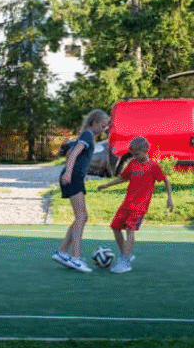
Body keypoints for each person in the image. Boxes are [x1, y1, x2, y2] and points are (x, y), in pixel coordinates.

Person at [97, 135, 174, 274]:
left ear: (145, 150)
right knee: (115, 227)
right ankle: (126, 254)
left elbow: (166, 180)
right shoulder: (133, 163)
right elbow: (122, 178)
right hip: (127, 203)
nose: (134, 156)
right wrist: (107, 185)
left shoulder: (153, 166)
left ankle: (125, 262)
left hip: (140, 206)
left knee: (129, 229)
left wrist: (169, 198)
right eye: (133, 154)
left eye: (137, 153)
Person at [52, 108, 110, 272]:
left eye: (106, 126)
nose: (104, 129)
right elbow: (74, 154)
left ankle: (63, 252)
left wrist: (79, 172)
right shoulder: (88, 135)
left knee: (82, 217)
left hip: (76, 177)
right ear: (94, 123)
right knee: (81, 216)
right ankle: (75, 258)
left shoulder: (85, 136)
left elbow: (70, 152)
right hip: (73, 178)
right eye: (103, 125)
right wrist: (70, 172)